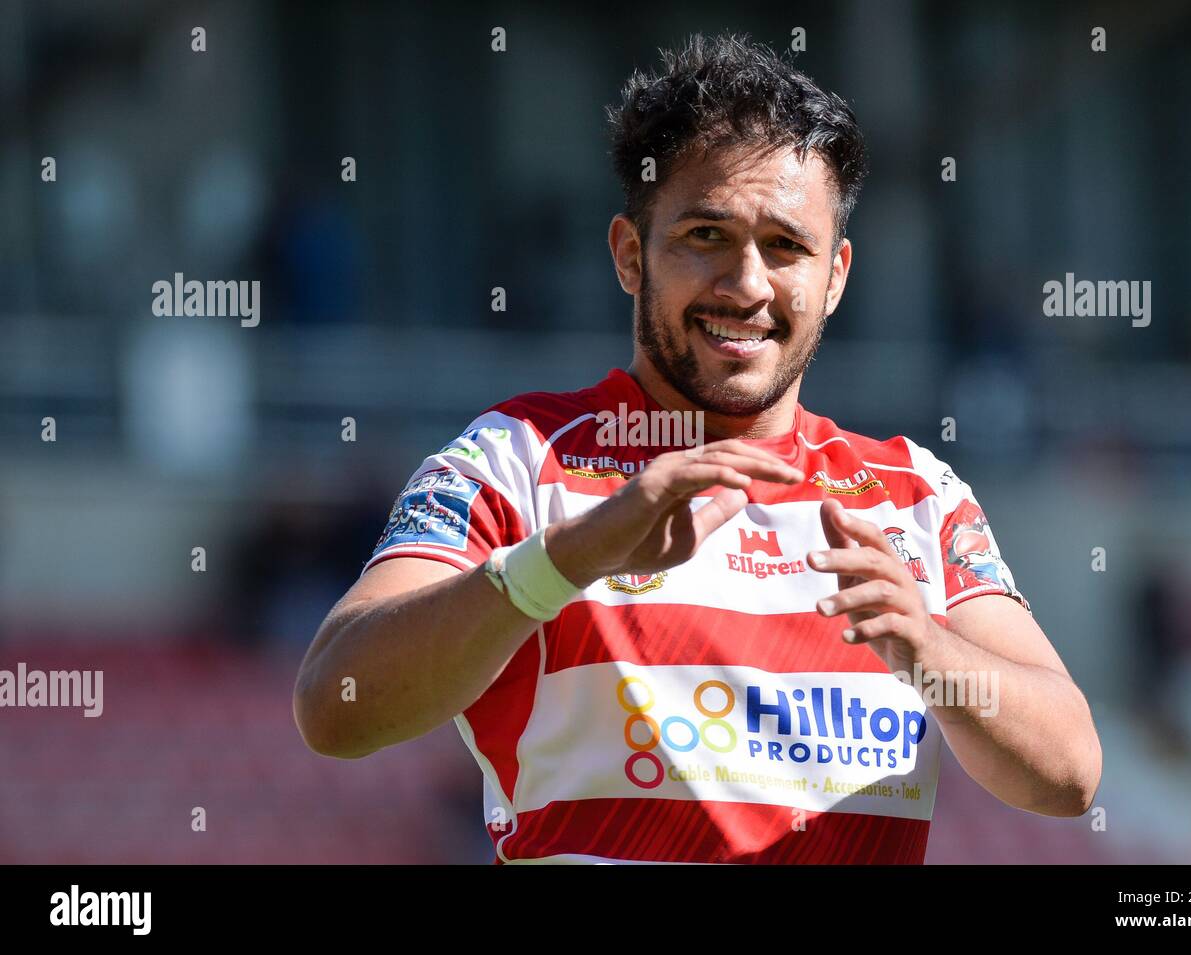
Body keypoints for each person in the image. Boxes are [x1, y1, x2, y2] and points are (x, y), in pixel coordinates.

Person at [293, 32, 1102, 864]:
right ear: (629, 255)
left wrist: (929, 648)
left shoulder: (915, 494)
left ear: (836, 276)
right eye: (706, 236)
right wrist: (566, 559)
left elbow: (1070, 773)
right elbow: (335, 704)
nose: (747, 283)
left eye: (786, 246)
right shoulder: (516, 458)